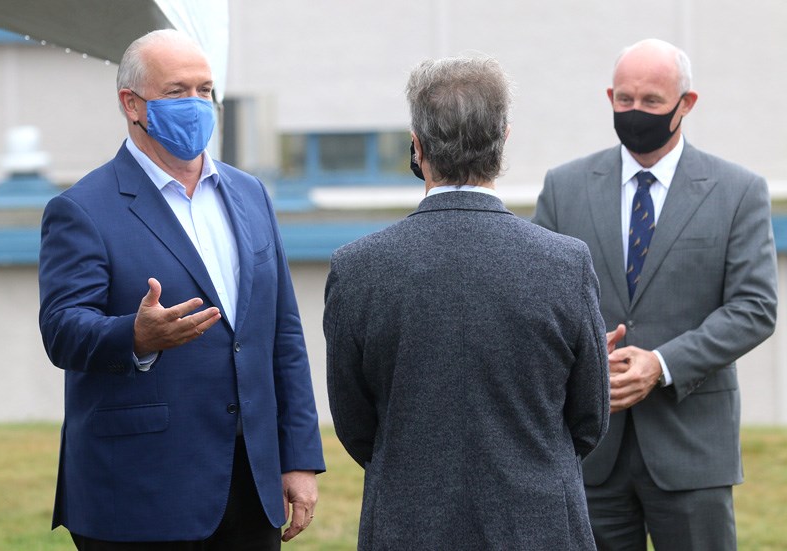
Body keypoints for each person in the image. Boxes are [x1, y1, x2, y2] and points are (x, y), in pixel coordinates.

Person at [38, 29, 325, 550]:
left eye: (204, 90)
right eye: (176, 92)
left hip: (250, 486)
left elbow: (282, 332)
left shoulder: (250, 192)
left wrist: (299, 457)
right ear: (132, 104)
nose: (195, 104)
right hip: (139, 489)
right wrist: (135, 336)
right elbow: (61, 330)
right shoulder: (82, 209)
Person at [324, 56, 610, 550]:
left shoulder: (358, 268)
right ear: (504, 139)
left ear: (417, 145)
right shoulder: (565, 263)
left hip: (407, 525)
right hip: (537, 524)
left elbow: (356, 425)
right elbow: (589, 419)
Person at [533, 38, 778, 550]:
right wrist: (581, 356)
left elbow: (755, 307)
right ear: (610, 97)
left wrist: (661, 364)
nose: (635, 112)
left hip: (693, 450)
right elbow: (538, 301)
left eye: (650, 102)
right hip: (588, 447)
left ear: (685, 104)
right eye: (624, 100)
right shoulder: (564, 187)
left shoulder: (738, 191)